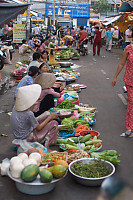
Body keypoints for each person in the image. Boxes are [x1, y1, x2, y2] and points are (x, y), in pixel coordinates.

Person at [10, 84, 58, 151]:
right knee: (54, 123)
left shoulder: (15, 108)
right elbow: (38, 128)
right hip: (28, 138)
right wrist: (50, 118)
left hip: (19, 135)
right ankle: (47, 147)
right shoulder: (28, 113)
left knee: (47, 113)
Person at [112, 34, 133, 137]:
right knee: (131, 104)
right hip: (130, 81)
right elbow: (121, 63)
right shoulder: (128, 49)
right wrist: (115, 77)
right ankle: (129, 127)